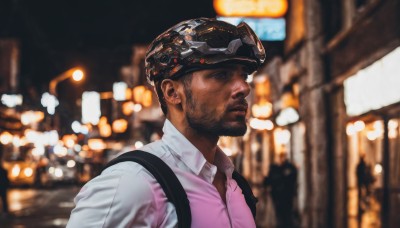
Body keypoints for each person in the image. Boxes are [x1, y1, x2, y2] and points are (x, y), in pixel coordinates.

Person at [67, 17, 265, 228]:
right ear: (172, 92)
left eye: (243, 75)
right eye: (221, 75)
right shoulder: (132, 183)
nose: (243, 88)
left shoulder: (234, 184)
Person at [264, 151, 298, 228]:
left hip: (287, 195)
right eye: (280, 157)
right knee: (279, 213)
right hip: (277, 196)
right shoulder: (274, 168)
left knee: (287, 213)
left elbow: (292, 179)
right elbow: (268, 181)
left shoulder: (289, 167)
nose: (281, 159)